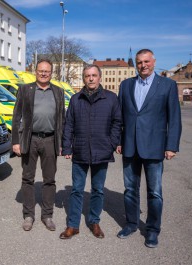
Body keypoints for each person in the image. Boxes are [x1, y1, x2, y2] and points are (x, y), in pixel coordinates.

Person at [116, 49, 182, 248]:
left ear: (153, 62)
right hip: (129, 146)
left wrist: (171, 146)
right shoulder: (126, 85)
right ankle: (131, 223)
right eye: (139, 62)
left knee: (154, 192)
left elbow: (175, 118)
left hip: (155, 146)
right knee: (129, 189)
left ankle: (153, 230)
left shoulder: (168, 85)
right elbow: (120, 117)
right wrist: (119, 141)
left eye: (146, 61)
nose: (143, 65)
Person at [59, 64, 122, 239]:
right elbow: (69, 124)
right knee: (77, 190)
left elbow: (117, 122)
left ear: (99, 77)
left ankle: (94, 221)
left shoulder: (110, 98)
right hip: (79, 151)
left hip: (102, 151)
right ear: (84, 78)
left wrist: (112, 143)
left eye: (94, 75)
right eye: (87, 76)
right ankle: (73, 225)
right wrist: (67, 147)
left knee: (98, 190)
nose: (91, 78)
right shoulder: (75, 99)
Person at [12, 58, 65, 231]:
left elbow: (61, 120)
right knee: (28, 178)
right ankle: (28, 215)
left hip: (50, 140)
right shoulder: (25, 89)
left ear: (51, 73)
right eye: (41, 70)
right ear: (36, 71)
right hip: (30, 139)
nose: (43, 73)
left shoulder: (58, 91)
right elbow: (16, 117)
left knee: (49, 179)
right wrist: (15, 142)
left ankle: (47, 215)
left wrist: (62, 142)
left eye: (47, 71)